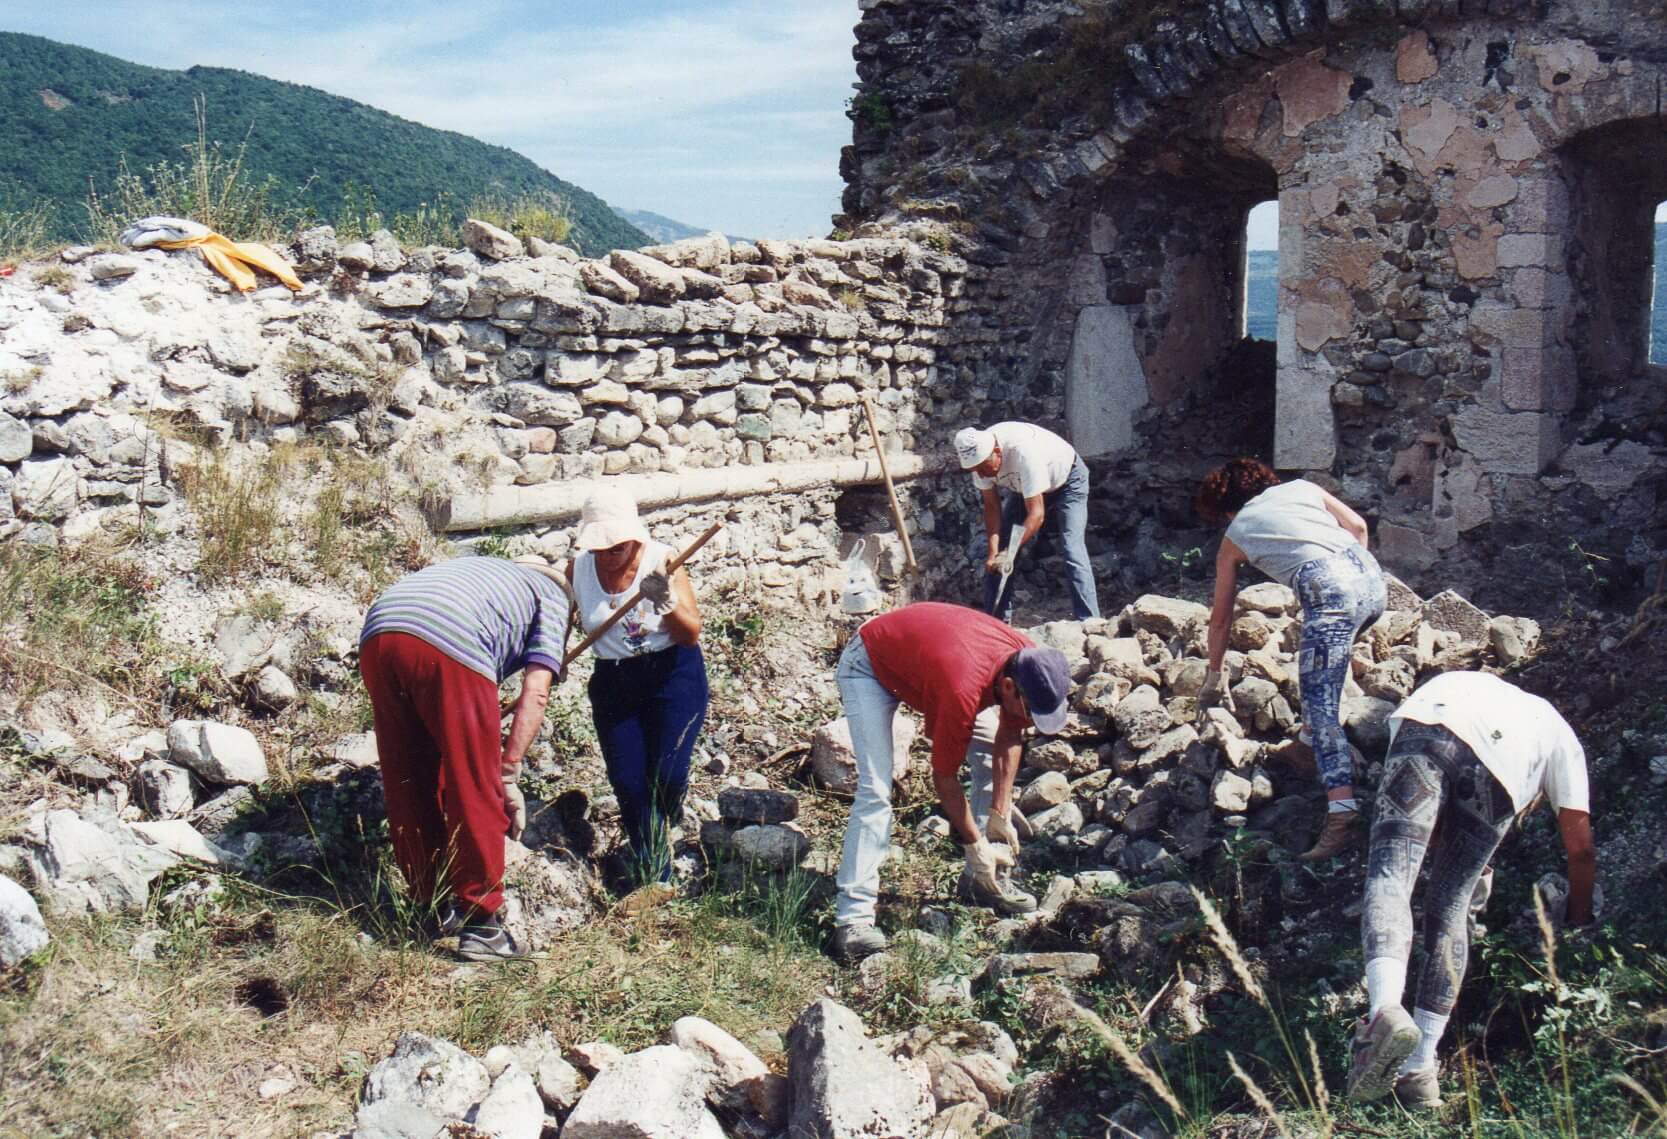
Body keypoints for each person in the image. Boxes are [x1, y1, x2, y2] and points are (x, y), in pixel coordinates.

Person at [1347, 671, 1595, 1108]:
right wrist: (1578, 917)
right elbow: (1580, 851)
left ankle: (1384, 1013)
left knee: (1391, 876)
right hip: (1507, 768)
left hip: (1429, 723)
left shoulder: (1460, 680)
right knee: (1451, 907)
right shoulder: (1558, 734)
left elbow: (1429, 817)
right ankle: (1420, 1069)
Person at [830, 601, 1072, 961]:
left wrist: (999, 812)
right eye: (1031, 711)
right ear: (1007, 688)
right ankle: (852, 921)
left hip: (928, 659)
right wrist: (974, 844)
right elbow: (943, 778)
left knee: (988, 751)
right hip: (869, 664)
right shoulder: (963, 689)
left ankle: (981, 884)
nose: (1033, 720)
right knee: (876, 791)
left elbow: (1010, 734)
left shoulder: (1028, 661)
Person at [359, 555, 573, 961]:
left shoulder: (485, 573)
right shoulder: (554, 596)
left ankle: (429, 903)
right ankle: (481, 923)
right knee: (474, 781)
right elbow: (536, 692)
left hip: (380, 632)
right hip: (449, 638)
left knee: (409, 778)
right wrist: (508, 772)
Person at [1194, 458, 1386, 861]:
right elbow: (1359, 528)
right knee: (1320, 669)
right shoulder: (1302, 488)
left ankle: (1342, 816)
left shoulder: (1236, 534)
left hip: (1332, 597)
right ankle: (1303, 748)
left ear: (1227, 506)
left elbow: (1222, 617)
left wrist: (1214, 673)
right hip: (1373, 583)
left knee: (1322, 704)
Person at [566, 485, 706, 900]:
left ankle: (670, 810)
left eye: (617, 546)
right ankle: (656, 877)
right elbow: (564, 620)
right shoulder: (578, 568)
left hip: (672, 675)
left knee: (667, 774)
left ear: (633, 538)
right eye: (600, 546)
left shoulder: (663, 560)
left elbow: (690, 633)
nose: (607, 554)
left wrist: (665, 602)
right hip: (614, 682)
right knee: (628, 781)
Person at [955, 422, 1100, 623]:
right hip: (1026, 489)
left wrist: (1009, 552)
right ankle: (995, 625)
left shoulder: (1023, 453)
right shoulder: (979, 459)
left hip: (1068, 480)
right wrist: (993, 553)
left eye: (983, 468)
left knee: (1071, 547)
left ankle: (1090, 622)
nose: (980, 474)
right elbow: (992, 507)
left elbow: (1037, 514)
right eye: (975, 469)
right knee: (999, 555)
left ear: (997, 451)